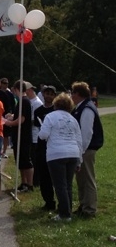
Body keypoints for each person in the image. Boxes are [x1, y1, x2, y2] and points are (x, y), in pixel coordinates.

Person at [38, 93, 83, 222]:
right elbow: (79, 139)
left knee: (60, 185)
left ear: (56, 104)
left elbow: (43, 135)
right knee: (68, 185)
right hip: (73, 153)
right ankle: (68, 211)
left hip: (56, 153)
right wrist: (79, 160)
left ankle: (64, 214)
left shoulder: (50, 117)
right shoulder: (73, 119)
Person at [71, 81, 104, 218]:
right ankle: (83, 205)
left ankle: (89, 209)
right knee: (81, 179)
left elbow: (86, 134)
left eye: (72, 93)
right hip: (82, 149)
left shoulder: (87, 109)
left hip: (86, 149)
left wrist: (80, 151)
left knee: (88, 179)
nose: (71, 95)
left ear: (78, 94)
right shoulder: (80, 107)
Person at [5, 81, 34, 192]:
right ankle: (24, 182)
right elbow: (18, 116)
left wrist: (9, 123)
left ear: (17, 89)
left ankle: (30, 184)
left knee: (26, 160)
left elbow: (22, 119)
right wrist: (11, 116)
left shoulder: (24, 101)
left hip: (24, 136)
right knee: (20, 160)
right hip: (18, 135)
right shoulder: (21, 101)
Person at [34, 86, 57, 211]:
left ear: (54, 96)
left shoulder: (56, 110)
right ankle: (48, 201)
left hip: (55, 144)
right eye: (46, 93)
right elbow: (37, 126)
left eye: (51, 94)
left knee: (55, 175)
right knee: (43, 175)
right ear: (43, 95)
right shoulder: (38, 111)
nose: (48, 96)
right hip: (42, 145)